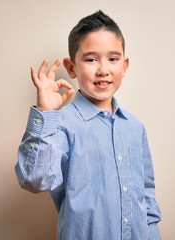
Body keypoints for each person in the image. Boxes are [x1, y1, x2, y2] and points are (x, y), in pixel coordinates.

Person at [15, 10, 162, 240]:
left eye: (112, 59)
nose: (103, 69)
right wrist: (45, 113)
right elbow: (35, 179)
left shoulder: (135, 128)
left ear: (124, 66)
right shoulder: (61, 123)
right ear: (71, 67)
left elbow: (147, 199)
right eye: (91, 59)